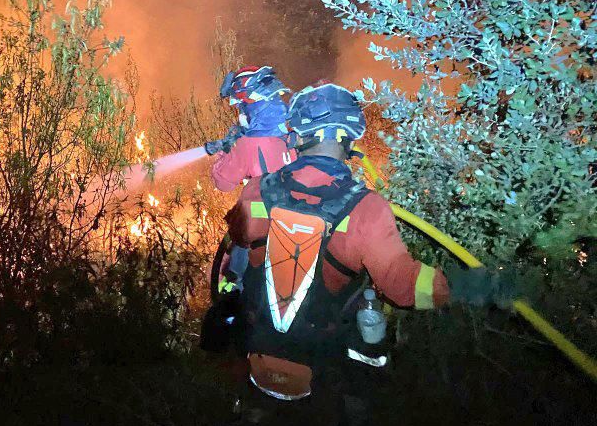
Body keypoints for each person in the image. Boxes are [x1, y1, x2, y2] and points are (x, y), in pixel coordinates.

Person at [230, 83, 508, 401]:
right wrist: (473, 287)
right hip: (323, 369)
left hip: (256, 354)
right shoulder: (367, 208)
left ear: (296, 136)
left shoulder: (253, 190)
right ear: (349, 138)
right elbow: (404, 286)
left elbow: (237, 247)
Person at [204, 66, 295, 293]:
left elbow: (223, 183)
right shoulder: (296, 132)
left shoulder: (248, 144)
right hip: (302, 229)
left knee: (232, 280)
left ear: (248, 103)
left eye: (239, 106)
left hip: (260, 237)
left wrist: (225, 153)